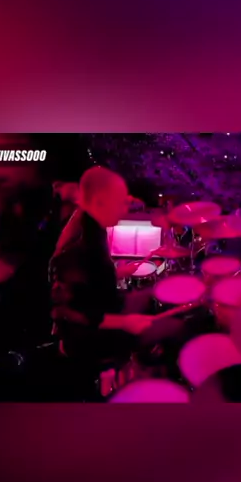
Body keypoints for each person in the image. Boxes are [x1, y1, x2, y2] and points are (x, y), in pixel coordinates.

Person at [48, 167, 193, 395]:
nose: (126, 208)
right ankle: (163, 382)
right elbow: (76, 312)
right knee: (178, 327)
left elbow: (88, 282)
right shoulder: (80, 247)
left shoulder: (90, 225)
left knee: (155, 292)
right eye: (120, 202)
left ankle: (144, 354)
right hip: (90, 337)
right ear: (99, 202)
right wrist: (125, 323)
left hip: (104, 308)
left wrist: (119, 272)